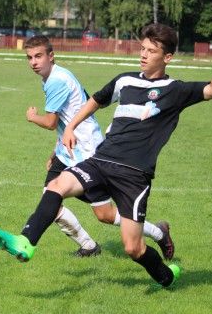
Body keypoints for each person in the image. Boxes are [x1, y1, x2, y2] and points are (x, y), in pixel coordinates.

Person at [0, 23, 212, 289]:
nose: (143, 54)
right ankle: (26, 241)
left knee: (133, 248)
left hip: (134, 175)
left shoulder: (175, 90)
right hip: (101, 160)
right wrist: (70, 127)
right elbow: (96, 100)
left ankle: (166, 275)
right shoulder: (125, 80)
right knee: (56, 185)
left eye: (151, 51)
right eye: (142, 48)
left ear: (167, 57)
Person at [23, 35, 174, 259]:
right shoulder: (53, 76)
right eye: (29, 58)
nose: (34, 62)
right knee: (50, 199)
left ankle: (158, 232)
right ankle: (88, 245)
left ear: (51, 56)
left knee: (104, 214)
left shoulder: (57, 80)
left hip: (86, 151)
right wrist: (56, 151)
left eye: (38, 56)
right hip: (69, 150)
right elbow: (66, 118)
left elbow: (51, 122)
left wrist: (32, 117)